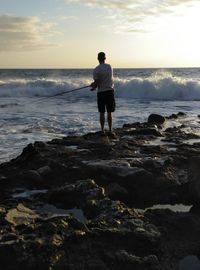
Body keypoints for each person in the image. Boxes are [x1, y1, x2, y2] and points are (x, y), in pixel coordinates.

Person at [90, 52, 116, 136]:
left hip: (101, 92)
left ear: (98, 59)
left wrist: (93, 86)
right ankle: (110, 129)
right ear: (105, 58)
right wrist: (95, 84)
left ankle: (102, 130)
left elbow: (97, 83)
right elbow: (108, 79)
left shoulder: (96, 69)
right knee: (109, 112)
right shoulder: (110, 67)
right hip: (110, 91)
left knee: (102, 112)